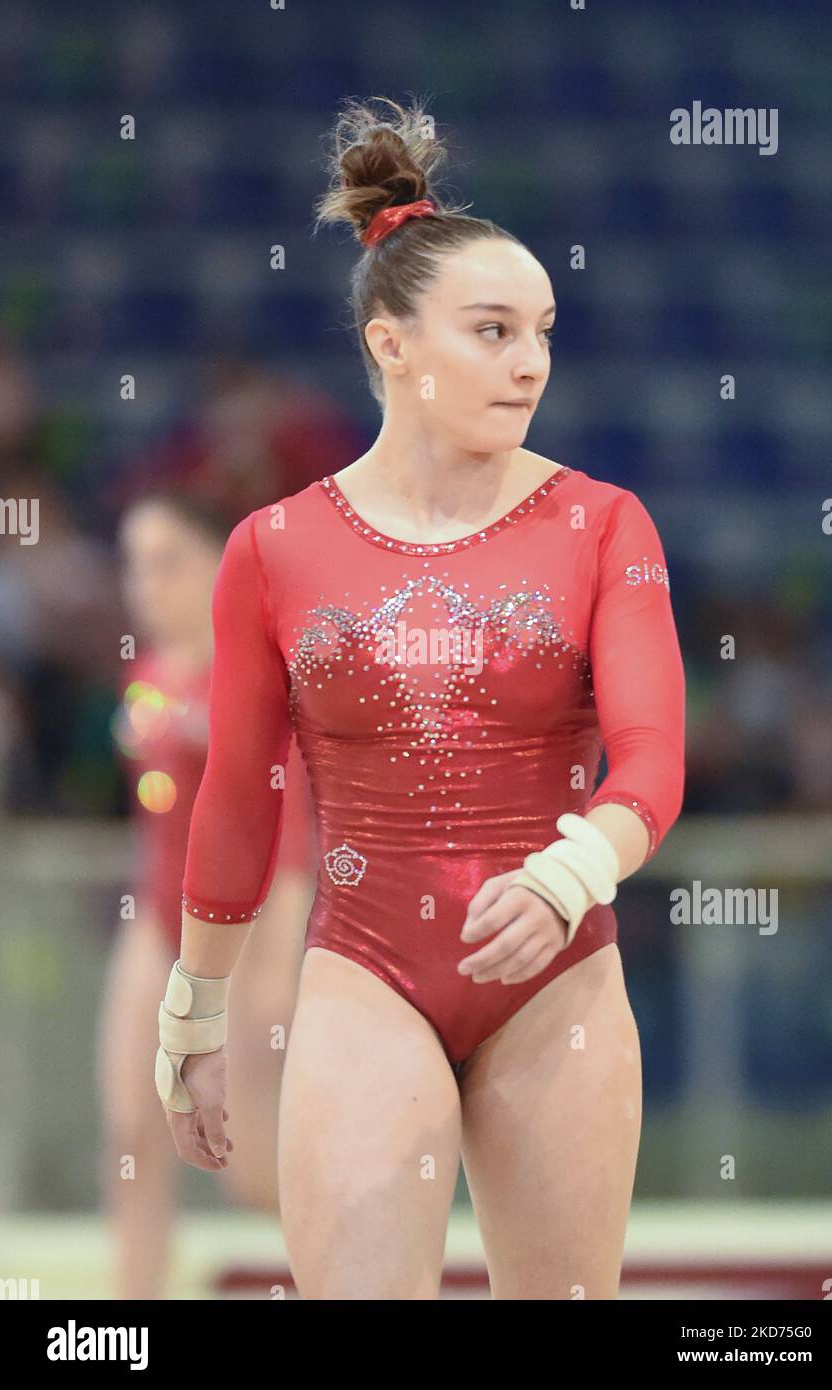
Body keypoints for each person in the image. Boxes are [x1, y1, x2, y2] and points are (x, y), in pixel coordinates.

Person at [157, 96, 686, 1300]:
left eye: (543, 330)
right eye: (493, 330)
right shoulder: (274, 548)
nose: (531, 361)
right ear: (391, 345)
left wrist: (569, 875)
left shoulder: (602, 522)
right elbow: (238, 797)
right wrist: (196, 1014)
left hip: (558, 974)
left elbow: (652, 758)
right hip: (363, 970)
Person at [97, 491, 316, 1299]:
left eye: (164, 565)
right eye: (132, 566)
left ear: (213, 568)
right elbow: (157, 818)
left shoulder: (251, 674)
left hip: (247, 930)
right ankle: (128, 1319)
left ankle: (362, 1277)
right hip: (158, 922)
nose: (142, 587)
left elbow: (286, 825)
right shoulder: (146, 674)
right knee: (131, 1135)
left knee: (252, 1169)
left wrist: (271, 975)